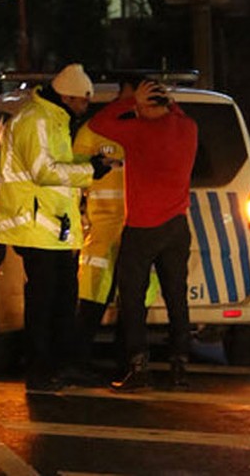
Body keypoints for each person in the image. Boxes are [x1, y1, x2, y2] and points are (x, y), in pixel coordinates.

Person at [0, 63, 112, 392]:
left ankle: (60, 366)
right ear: (66, 96)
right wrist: (90, 171)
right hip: (35, 226)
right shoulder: (36, 120)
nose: (85, 108)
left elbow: (58, 167)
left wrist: (90, 166)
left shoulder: (55, 119)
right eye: (83, 101)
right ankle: (40, 371)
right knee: (44, 301)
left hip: (53, 227)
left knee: (61, 300)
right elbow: (44, 170)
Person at [88, 79, 198, 392]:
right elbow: (174, 113)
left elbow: (99, 123)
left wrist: (127, 101)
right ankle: (180, 365)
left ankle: (138, 366)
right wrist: (162, 100)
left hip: (142, 228)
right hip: (177, 227)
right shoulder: (188, 128)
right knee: (177, 296)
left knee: (132, 299)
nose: (135, 110)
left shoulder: (137, 132)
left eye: (139, 106)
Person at [72, 78, 158, 381]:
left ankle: (127, 363)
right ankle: (79, 361)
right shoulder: (96, 129)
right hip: (105, 226)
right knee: (95, 294)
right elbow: (73, 172)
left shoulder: (151, 126)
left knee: (135, 298)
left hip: (140, 224)